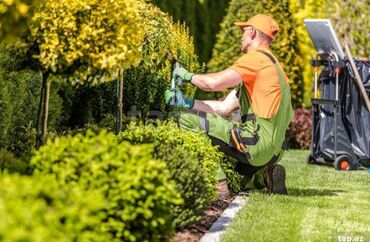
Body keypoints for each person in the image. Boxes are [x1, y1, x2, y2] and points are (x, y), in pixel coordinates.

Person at [165, 14, 294, 195]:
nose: (241, 36)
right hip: (274, 151)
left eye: (243, 31)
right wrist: (186, 102)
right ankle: (264, 175)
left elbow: (214, 83)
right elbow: (224, 107)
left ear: (252, 32)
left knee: (186, 120)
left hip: (256, 143)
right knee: (236, 172)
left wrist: (186, 76)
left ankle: (218, 186)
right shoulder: (274, 67)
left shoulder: (256, 59)